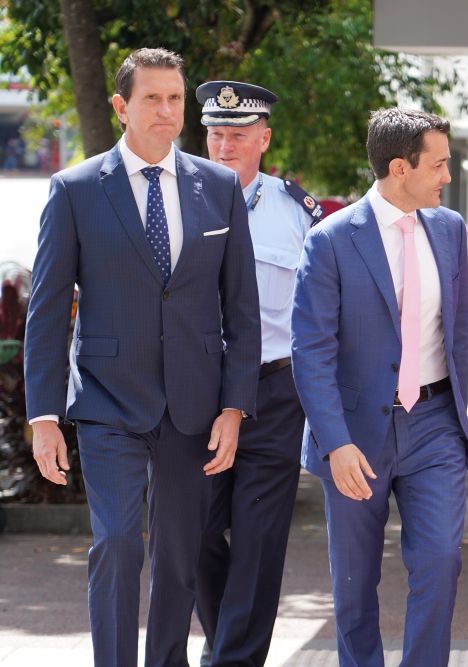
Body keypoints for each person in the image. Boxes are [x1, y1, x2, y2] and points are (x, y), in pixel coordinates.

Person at [23, 48, 260, 667]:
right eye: (152, 98)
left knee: (180, 556)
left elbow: (242, 310)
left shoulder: (218, 189)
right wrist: (43, 415)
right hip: (107, 400)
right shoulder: (74, 190)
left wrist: (235, 405)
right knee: (120, 542)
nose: (166, 110)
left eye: (176, 98)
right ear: (121, 107)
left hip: (194, 405)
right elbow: (46, 310)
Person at [291, 108, 468, 667]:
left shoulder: (450, 229)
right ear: (400, 167)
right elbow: (311, 350)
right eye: (438, 165)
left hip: (435, 422)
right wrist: (335, 442)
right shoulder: (330, 240)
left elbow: (457, 330)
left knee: (441, 561)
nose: (447, 176)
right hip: (356, 434)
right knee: (354, 585)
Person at [193, 80, 322, 667]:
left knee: (258, 539)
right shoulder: (178, 203)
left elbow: (321, 312)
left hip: (274, 390)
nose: (224, 146)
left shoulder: (300, 214)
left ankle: (233, 660)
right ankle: (227, 645)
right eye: (215, 134)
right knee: (190, 531)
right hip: (197, 389)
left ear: (263, 139)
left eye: (238, 135)